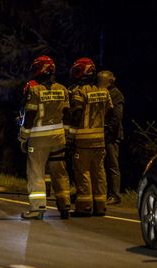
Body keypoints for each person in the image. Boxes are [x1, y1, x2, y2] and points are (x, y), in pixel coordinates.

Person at [19, 55, 72, 220]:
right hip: (58, 138)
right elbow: (68, 114)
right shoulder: (63, 89)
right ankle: (65, 205)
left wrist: (23, 137)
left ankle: (37, 208)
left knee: (36, 173)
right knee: (60, 172)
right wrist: (67, 134)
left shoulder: (35, 90)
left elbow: (30, 116)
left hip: (39, 138)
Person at [69, 58, 113, 217]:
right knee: (99, 173)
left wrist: (70, 138)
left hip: (83, 141)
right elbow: (109, 112)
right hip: (99, 140)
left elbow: (76, 116)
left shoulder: (79, 92)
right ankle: (100, 206)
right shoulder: (104, 92)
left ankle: (84, 207)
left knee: (83, 173)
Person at [97, 70, 124, 205]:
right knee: (102, 165)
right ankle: (104, 193)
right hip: (102, 134)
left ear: (110, 81)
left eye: (101, 80)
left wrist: (108, 131)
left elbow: (117, 116)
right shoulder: (102, 93)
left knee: (112, 165)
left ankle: (115, 195)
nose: (99, 83)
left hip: (111, 136)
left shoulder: (115, 94)